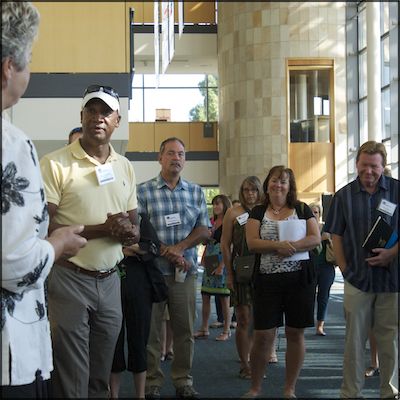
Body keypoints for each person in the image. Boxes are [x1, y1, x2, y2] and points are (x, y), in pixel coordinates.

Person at [1, 2, 87, 397]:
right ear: (8, 68)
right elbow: (14, 263)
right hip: (8, 352)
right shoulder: (11, 144)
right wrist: (57, 244)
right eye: (29, 59)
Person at [40, 84, 140, 398]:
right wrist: (104, 229)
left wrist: (129, 232)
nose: (98, 118)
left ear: (117, 121)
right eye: (92, 111)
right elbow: (46, 223)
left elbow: (134, 223)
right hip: (70, 278)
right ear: (81, 116)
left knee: (101, 376)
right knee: (72, 376)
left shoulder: (124, 166)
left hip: (110, 281)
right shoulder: (55, 163)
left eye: (105, 112)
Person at [325, 141, 399, 399]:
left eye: (374, 166)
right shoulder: (343, 196)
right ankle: (350, 393)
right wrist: (345, 270)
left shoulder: (397, 192)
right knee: (354, 342)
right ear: (357, 164)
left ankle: (390, 392)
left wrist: (392, 252)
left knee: (389, 340)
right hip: (357, 280)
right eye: (364, 165)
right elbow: (335, 235)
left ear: (383, 166)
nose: (369, 171)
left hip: (391, 281)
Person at [137, 137, 209, 399]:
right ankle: (153, 382)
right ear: (160, 158)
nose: (176, 158)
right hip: (152, 275)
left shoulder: (195, 192)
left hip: (184, 274)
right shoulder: (142, 192)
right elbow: (139, 233)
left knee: (185, 332)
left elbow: (204, 229)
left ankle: (183, 380)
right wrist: (167, 252)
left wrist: (179, 248)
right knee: (152, 333)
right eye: (170, 153)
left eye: (180, 154)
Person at [243, 165, 321, 398]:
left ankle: (290, 388)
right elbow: (252, 243)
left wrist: (293, 246)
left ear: (290, 186)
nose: (278, 185)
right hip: (267, 282)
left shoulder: (302, 208)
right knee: (263, 335)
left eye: (284, 181)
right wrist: (278, 246)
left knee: (295, 333)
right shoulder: (257, 211)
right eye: (275, 181)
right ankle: (255, 387)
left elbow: (315, 238)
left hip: (300, 281)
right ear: (267, 184)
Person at [220, 176, 263, 380]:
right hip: (241, 270)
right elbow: (225, 244)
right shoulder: (233, 212)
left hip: (264, 269)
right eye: (246, 190)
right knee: (244, 318)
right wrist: (229, 273)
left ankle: (257, 362)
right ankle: (245, 364)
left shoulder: (266, 210)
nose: (250, 194)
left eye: (254, 190)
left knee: (260, 320)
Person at [194, 194, 232, 341]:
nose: (216, 207)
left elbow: (230, 245)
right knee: (205, 295)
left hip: (222, 259)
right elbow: (206, 242)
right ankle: (204, 327)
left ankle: (226, 329)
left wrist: (223, 265)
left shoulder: (229, 222)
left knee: (224, 297)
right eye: (214, 204)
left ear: (225, 205)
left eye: (219, 204)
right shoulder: (211, 221)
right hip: (210, 258)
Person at [309, 202, 336, 336]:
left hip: (326, 266)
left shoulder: (327, 228)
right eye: (312, 212)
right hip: (310, 266)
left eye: (316, 212)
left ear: (320, 214)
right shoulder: (305, 229)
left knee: (323, 296)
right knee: (309, 296)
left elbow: (335, 245)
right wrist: (320, 238)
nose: (314, 214)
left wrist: (328, 239)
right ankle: (307, 322)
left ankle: (320, 325)